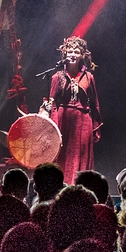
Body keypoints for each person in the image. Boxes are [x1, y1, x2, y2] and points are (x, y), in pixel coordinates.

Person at [46, 36, 101, 176]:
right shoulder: (57, 77)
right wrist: (54, 126)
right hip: (63, 120)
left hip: (84, 121)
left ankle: (81, 184)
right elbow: (52, 103)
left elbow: (94, 103)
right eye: (70, 51)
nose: (73, 54)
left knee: (82, 155)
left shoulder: (89, 77)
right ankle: (63, 184)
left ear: (82, 55)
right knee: (63, 155)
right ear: (65, 54)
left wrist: (96, 127)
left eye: (76, 52)